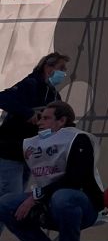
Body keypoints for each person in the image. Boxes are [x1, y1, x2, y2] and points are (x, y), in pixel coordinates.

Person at [0, 101, 104, 241]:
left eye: (46, 118)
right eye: (40, 118)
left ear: (62, 121)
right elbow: (8, 149)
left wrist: (35, 197)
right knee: (5, 203)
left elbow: (75, 179)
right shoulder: (36, 142)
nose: (39, 122)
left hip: (82, 202)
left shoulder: (79, 139)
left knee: (62, 197)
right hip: (48, 200)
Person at [0, 54, 69, 198]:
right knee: (10, 197)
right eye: (61, 68)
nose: (64, 73)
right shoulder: (31, 83)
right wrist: (28, 113)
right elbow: (3, 98)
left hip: (30, 155)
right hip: (10, 150)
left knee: (18, 197)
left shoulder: (54, 96)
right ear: (48, 67)